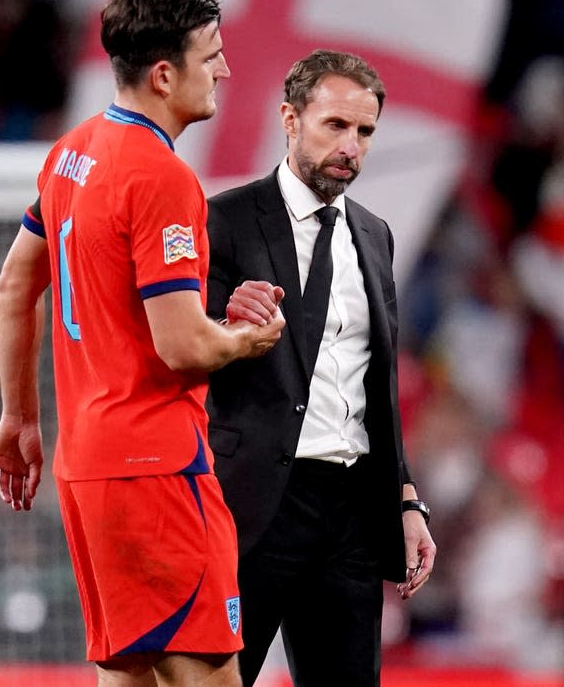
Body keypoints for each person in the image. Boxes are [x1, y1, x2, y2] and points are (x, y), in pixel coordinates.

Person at [0, 0, 284, 687]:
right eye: (211, 56)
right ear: (162, 73)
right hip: (158, 469)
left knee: (128, 678)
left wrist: (19, 416)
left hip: (85, 466)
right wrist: (250, 336)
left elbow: (13, 283)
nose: (225, 69)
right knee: (208, 676)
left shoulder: (71, 154)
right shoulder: (162, 177)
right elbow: (183, 346)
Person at [205, 49, 436, 686]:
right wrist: (224, 325)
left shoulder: (375, 233)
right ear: (290, 118)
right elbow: (179, 352)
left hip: (353, 512)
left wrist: (407, 500)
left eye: (364, 131)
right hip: (253, 506)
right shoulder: (225, 220)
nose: (351, 146)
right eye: (335, 125)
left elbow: (376, 385)